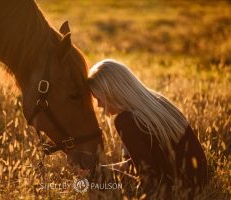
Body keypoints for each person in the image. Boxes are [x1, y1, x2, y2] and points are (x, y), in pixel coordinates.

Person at [87, 59, 207, 199]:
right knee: (99, 172)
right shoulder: (158, 102)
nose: (99, 105)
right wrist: (108, 168)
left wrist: (99, 174)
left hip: (174, 193)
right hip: (197, 186)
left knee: (95, 179)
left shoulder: (126, 121)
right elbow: (148, 160)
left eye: (98, 98)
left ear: (110, 92)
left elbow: (148, 177)